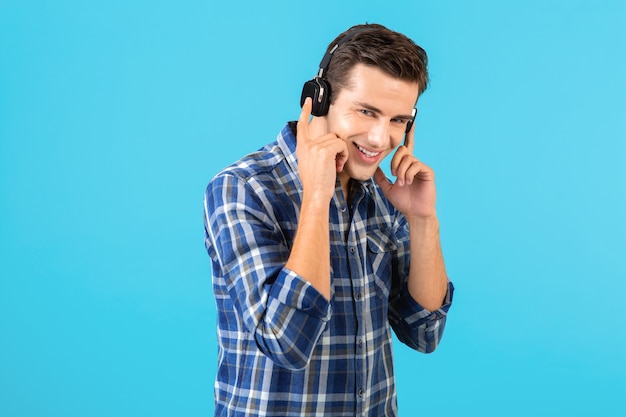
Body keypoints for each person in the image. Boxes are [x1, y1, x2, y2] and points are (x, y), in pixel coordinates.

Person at [203, 23, 454, 416]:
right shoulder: (242, 189)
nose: (378, 138)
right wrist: (317, 195)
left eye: (397, 121)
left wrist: (422, 219)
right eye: (366, 111)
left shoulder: (384, 196)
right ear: (317, 102)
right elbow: (285, 341)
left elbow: (424, 331)